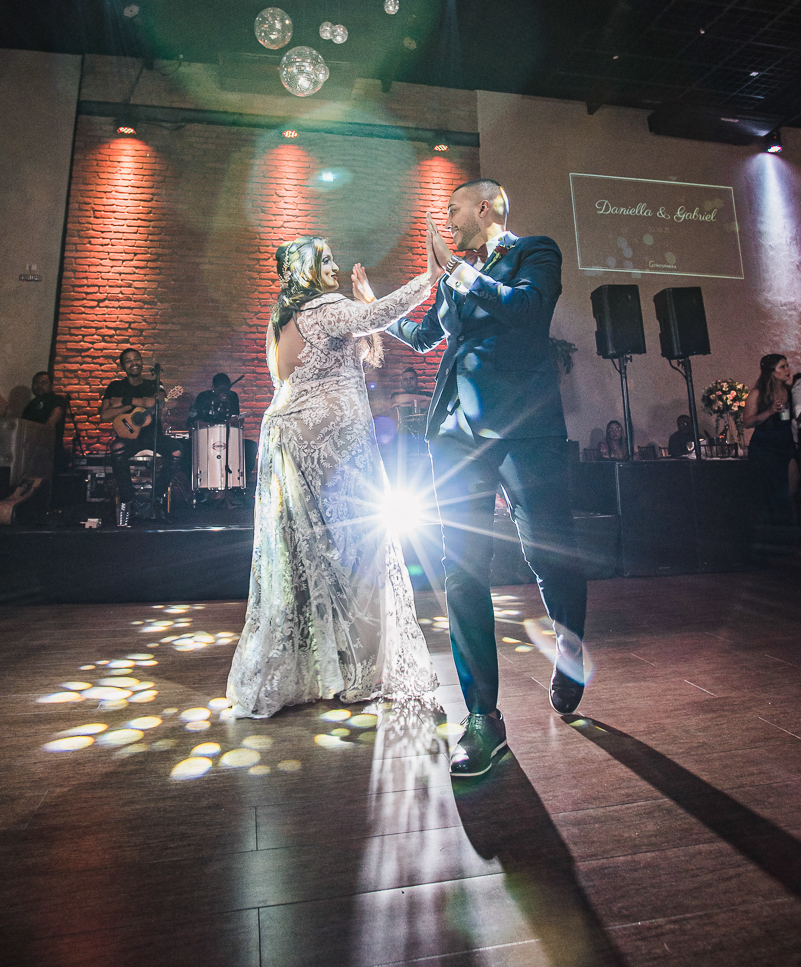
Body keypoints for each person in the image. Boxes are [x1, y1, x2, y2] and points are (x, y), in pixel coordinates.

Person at [387, 179, 586, 778]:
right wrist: (381, 308)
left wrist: (459, 271)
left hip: (524, 429)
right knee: (461, 567)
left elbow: (527, 309)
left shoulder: (536, 251)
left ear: (484, 208)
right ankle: (481, 717)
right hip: (452, 435)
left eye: (453, 210)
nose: (447, 220)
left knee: (548, 554)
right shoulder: (457, 275)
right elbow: (425, 338)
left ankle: (570, 654)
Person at [226, 234, 441, 718]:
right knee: (352, 550)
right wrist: (426, 278)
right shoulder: (325, 307)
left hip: (288, 435)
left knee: (304, 554)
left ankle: (313, 669)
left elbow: (367, 352)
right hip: (324, 444)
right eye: (326, 259)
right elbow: (373, 321)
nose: (335, 265)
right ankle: (355, 669)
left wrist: (366, 301)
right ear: (306, 269)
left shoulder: (284, 315)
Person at [99, 349, 182, 527]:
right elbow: (105, 416)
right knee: (117, 449)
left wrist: (126, 400)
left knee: (176, 451)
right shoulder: (114, 386)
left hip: (153, 436)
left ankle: (156, 499)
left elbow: (156, 402)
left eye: (136, 359)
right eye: (128, 361)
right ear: (123, 366)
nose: (133, 363)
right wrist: (132, 405)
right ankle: (131, 501)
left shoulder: (154, 383)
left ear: (142, 362)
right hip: (129, 437)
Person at [744, 353, 797, 524]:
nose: (788, 370)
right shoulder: (758, 393)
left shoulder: (789, 390)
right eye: (782, 367)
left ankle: (789, 527)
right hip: (766, 446)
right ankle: (776, 531)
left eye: (787, 365)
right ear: (771, 371)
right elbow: (747, 422)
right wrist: (769, 411)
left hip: (786, 443)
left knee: (792, 487)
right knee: (772, 490)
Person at [21, 372, 69, 472]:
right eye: (36, 383)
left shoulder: (57, 400)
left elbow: (52, 422)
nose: (39, 386)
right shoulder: (31, 405)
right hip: (31, 453)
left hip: (50, 452)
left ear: (51, 385)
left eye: (43, 383)